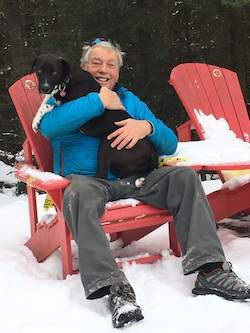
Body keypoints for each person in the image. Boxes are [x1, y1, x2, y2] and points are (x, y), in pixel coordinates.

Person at [39, 38, 250, 328]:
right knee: (78, 194)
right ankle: (114, 288)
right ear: (83, 67)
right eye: (96, 63)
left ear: (118, 71)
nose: (104, 69)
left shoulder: (129, 100)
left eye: (111, 64)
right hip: (90, 182)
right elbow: (50, 127)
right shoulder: (62, 96)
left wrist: (146, 127)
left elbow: (170, 142)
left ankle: (211, 269)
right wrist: (99, 100)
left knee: (184, 178)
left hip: (139, 178)